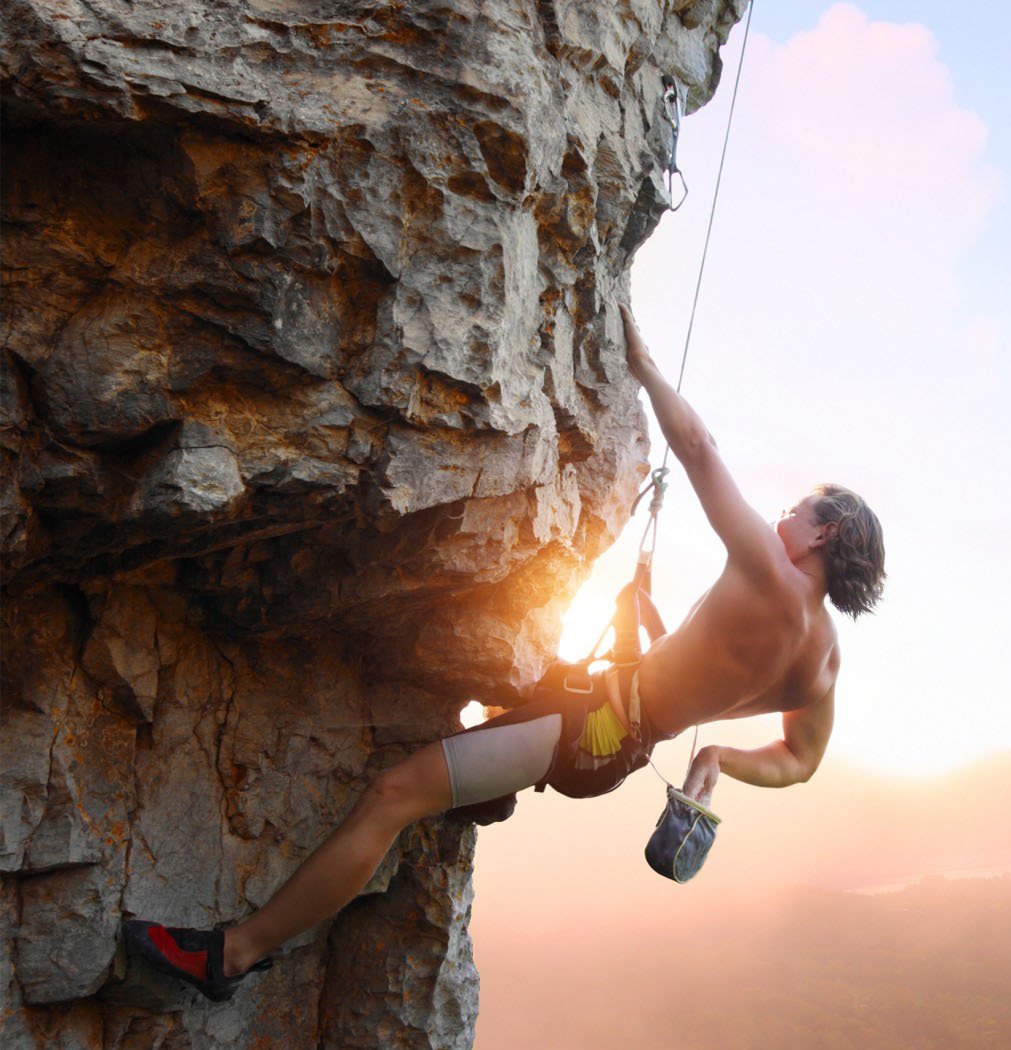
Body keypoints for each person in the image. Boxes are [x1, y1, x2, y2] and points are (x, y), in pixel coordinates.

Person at [124, 304, 886, 1002]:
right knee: (479, 723)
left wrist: (647, 364)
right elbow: (801, 761)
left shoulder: (770, 575)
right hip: (613, 736)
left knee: (392, 796)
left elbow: (698, 446)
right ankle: (489, 773)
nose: (782, 517)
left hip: (590, 728)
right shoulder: (822, 663)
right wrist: (717, 755)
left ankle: (231, 956)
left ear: (823, 535)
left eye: (797, 512)